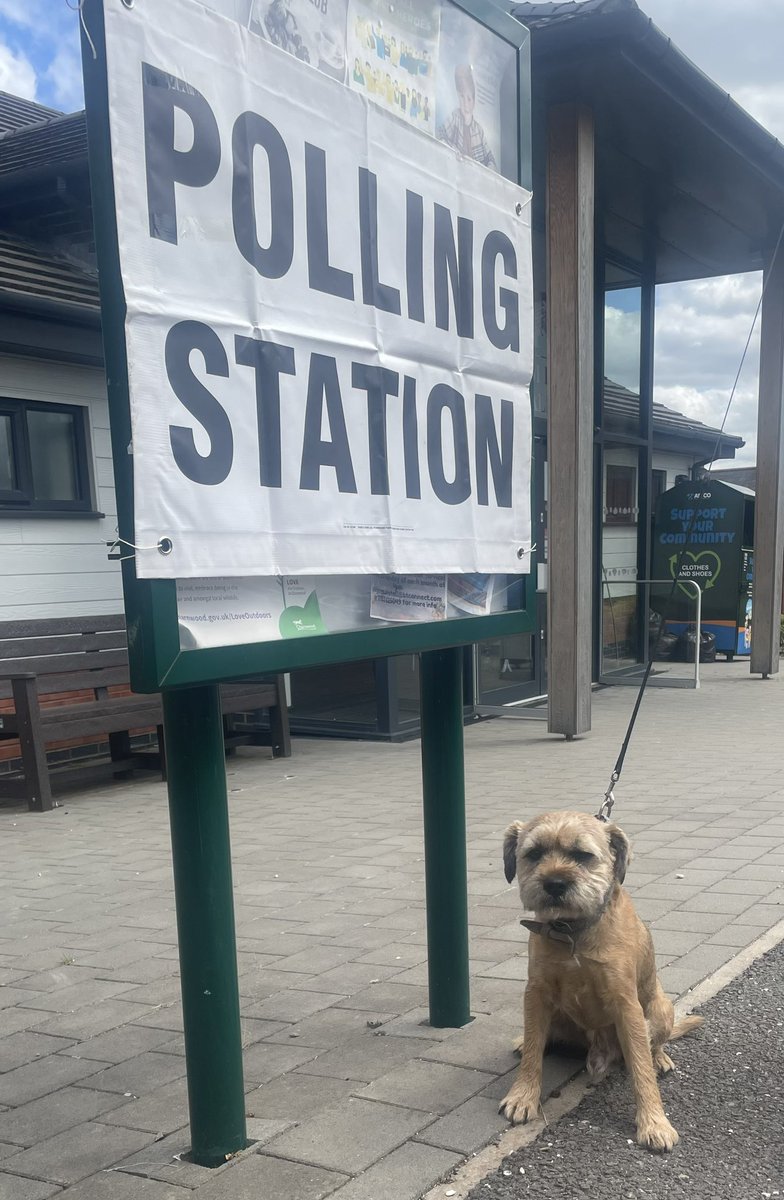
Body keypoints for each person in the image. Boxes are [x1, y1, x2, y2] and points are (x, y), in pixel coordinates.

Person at [437, 63, 496, 170]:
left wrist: (488, 168)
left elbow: (490, 158)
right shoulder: (454, 117)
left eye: (469, 99)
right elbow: (440, 134)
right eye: (462, 97)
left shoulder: (478, 130)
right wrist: (453, 149)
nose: (465, 103)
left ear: (473, 102)